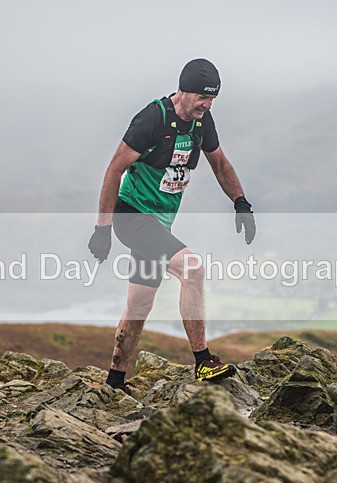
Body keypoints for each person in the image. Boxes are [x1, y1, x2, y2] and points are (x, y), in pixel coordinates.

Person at [88, 58, 256, 394]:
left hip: (159, 224)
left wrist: (241, 202)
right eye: (202, 98)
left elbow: (220, 163)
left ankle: (114, 382)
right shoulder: (152, 118)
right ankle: (203, 361)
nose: (207, 106)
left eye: (212, 100)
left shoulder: (201, 122)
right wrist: (103, 229)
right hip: (132, 215)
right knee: (192, 268)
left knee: (139, 304)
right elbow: (113, 170)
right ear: (184, 90)